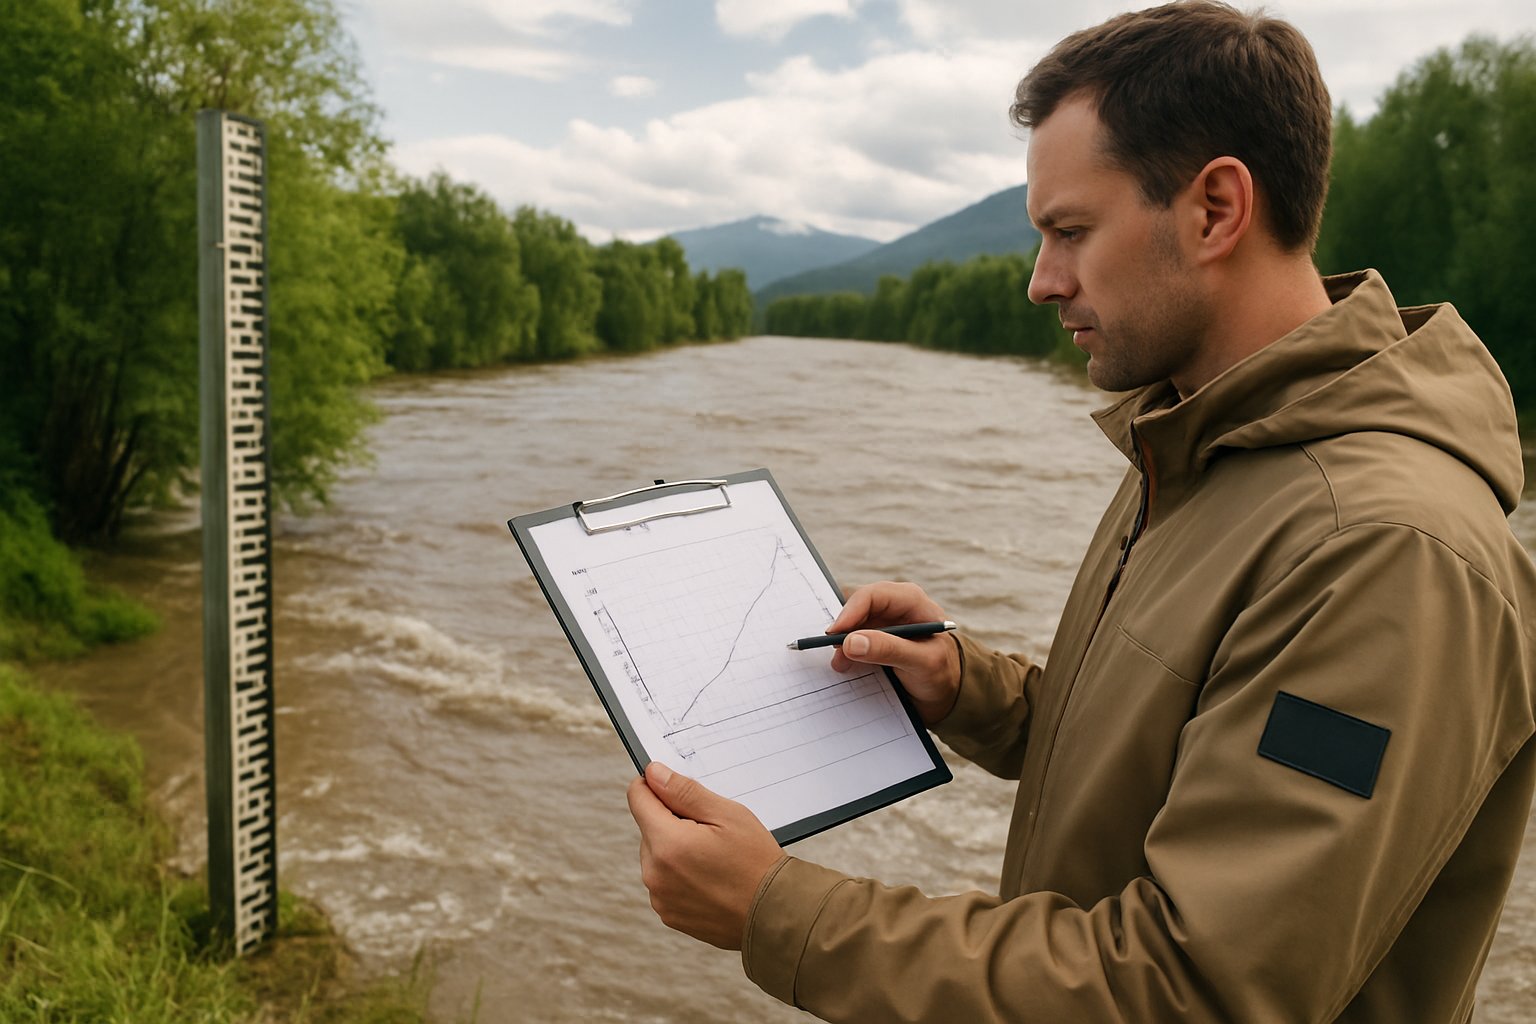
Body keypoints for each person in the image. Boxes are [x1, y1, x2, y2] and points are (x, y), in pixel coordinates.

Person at [626, 2, 1536, 1020]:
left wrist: (775, 910)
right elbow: (1171, 742)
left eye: (1069, 231)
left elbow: (1197, 987)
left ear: (1215, 210)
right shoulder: (1197, 443)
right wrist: (968, 687)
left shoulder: (1386, 553)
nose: (1039, 282)